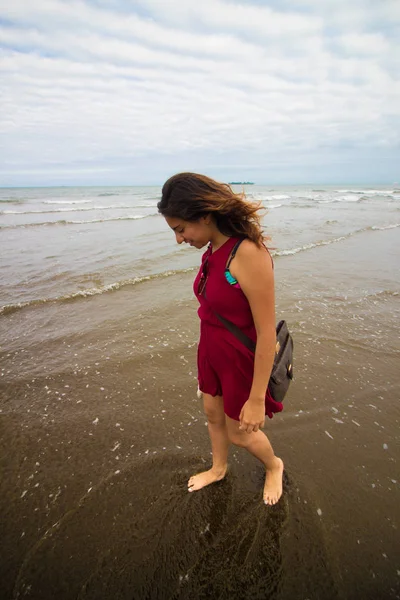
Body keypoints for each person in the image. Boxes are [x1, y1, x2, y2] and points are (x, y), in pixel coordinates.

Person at [157, 173, 284, 506]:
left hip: (240, 357)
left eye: (181, 229)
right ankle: (218, 468)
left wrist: (256, 398)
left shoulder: (248, 253)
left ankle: (274, 466)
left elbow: (267, 330)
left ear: (205, 216)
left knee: (241, 433)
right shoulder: (212, 248)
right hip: (211, 351)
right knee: (213, 416)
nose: (179, 239)